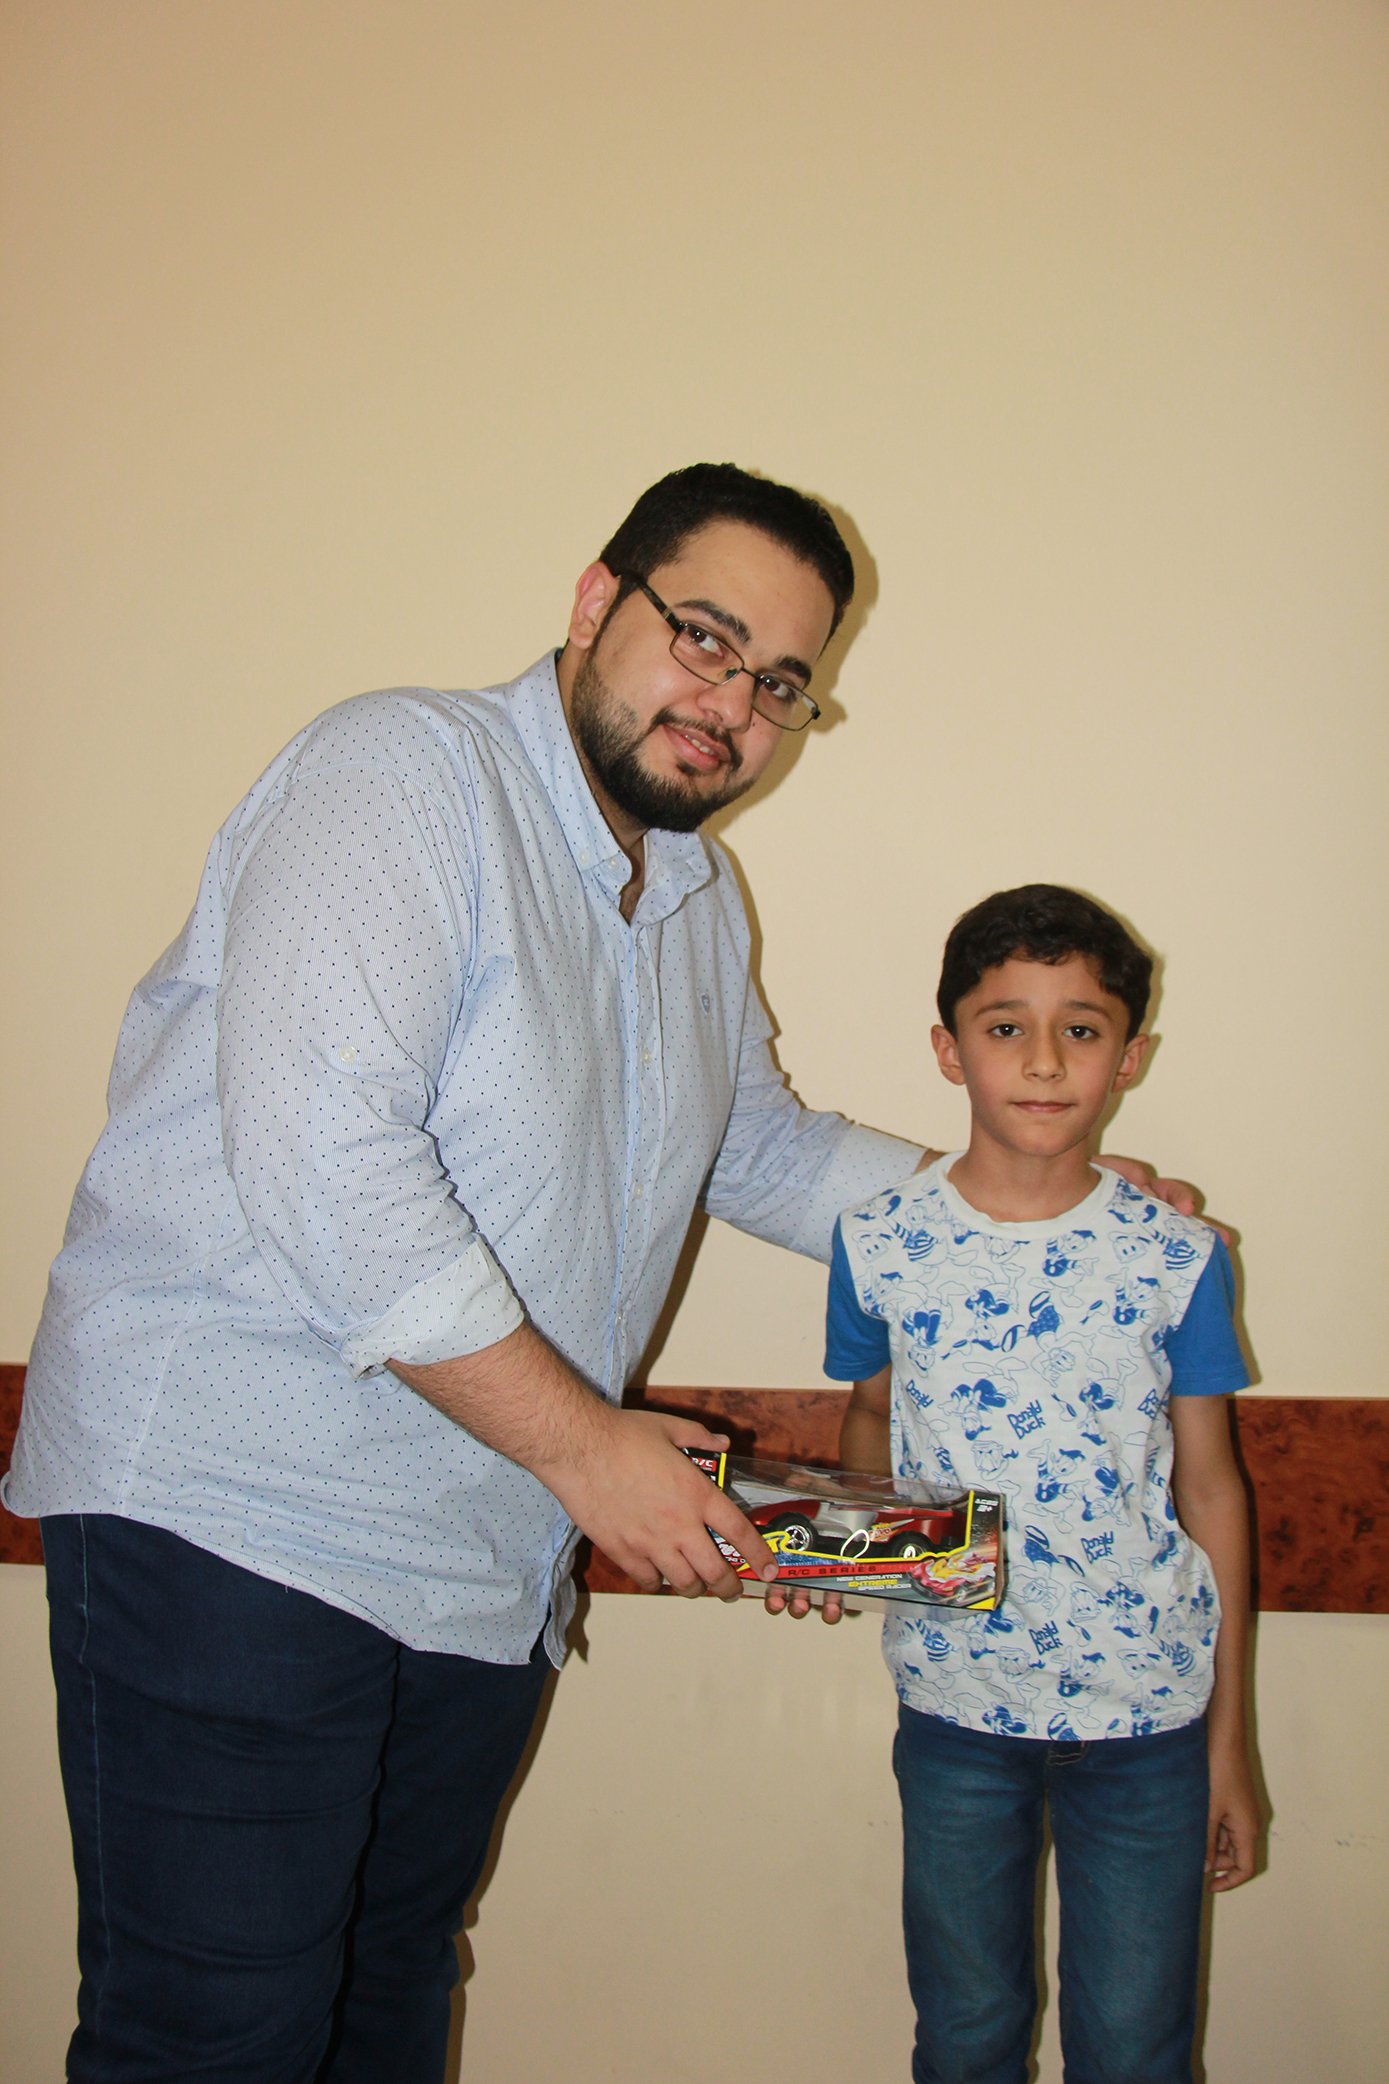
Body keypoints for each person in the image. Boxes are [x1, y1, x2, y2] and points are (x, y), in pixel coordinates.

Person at [5, 470, 1197, 2084]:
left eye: (780, 683)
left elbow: (757, 1150)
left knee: (383, 2004)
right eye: (704, 637)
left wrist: (1037, 1200)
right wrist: (586, 1451)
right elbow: (324, 1153)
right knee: (219, 2037)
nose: (732, 704)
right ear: (592, 602)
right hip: (241, 1516)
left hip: (475, 1558)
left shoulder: (693, 904)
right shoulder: (404, 773)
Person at [815, 884, 1261, 2084]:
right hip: (954, 1708)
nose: (1046, 1059)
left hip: (1149, 1721)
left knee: (1135, 2046)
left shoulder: (1178, 1256)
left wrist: (1230, 1742)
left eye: (1083, 1027)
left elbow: (1214, 1490)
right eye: (1006, 1025)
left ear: (1132, 1056)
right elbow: (872, 1423)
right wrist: (834, 1548)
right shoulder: (878, 1242)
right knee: (966, 2033)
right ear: (948, 1047)